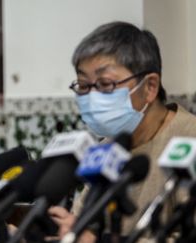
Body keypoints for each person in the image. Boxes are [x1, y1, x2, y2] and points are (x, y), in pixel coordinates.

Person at [48, 21, 196, 242]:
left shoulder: (189, 140)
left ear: (150, 87)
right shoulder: (108, 149)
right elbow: (85, 230)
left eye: (105, 84)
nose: (92, 97)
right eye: (83, 85)